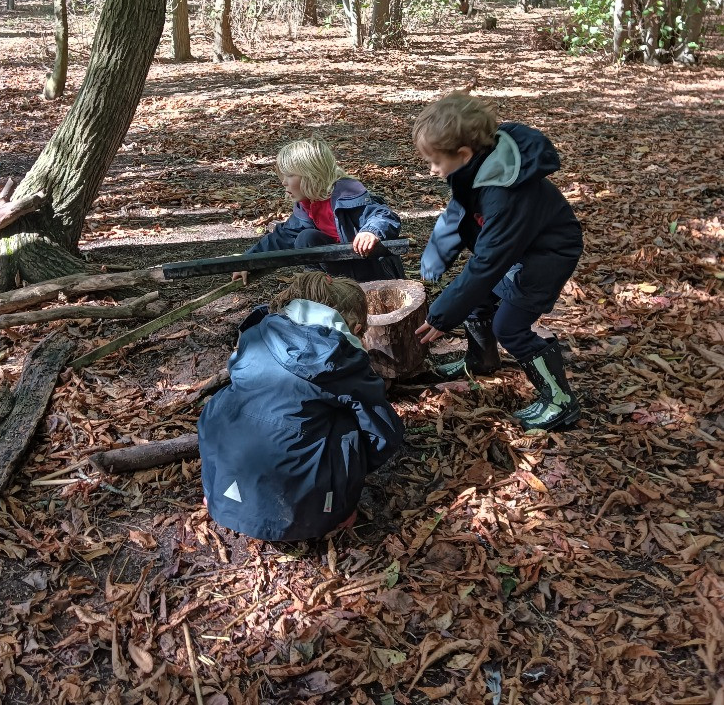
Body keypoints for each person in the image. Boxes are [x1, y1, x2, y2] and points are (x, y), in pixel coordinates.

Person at [413, 92, 583, 432]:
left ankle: (560, 401)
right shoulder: (477, 169)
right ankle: (482, 360)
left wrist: (443, 314)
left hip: (546, 257)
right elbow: (457, 214)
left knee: (510, 327)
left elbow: (489, 261)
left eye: (435, 162)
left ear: (463, 154)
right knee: (479, 304)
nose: (432, 171)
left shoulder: (505, 193)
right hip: (518, 251)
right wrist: (436, 256)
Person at [198, 271, 405, 541]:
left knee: (230, 405)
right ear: (354, 327)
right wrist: (354, 473)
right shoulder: (341, 358)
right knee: (346, 426)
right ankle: (335, 510)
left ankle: (221, 491)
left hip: (223, 492)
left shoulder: (256, 332)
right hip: (308, 518)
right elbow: (382, 434)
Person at [232, 136, 404, 284]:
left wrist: (370, 232)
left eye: (290, 175)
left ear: (312, 175)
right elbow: (281, 237)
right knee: (306, 237)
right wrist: (248, 261)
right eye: (283, 176)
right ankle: (325, 288)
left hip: (374, 271)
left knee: (308, 237)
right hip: (342, 274)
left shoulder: (347, 196)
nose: (284, 182)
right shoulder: (307, 206)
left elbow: (384, 215)